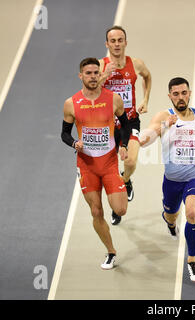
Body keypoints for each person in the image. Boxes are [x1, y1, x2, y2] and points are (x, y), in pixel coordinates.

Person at [139, 77, 195, 282]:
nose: (180, 98)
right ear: (170, 96)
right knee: (171, 215)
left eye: (184, 93)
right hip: (171, 181)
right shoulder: (165, 115)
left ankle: (192, 261)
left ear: (189, 93)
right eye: (176, 94)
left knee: (191, 213)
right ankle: (170, 222)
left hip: (194, 178)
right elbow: (143, 141)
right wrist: (164, 126)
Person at [61, 57, 131, 270]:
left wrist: (124, 144)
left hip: (109, 163)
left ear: (101, 74)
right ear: (81, 76)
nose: (92, 76)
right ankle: (111, 251)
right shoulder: (71, 103)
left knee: (120, 210)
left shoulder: (114, 99)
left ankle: (124, 183)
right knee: (96, 211)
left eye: (95, 72)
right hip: (87, 165)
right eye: (88, 73)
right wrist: (75, 143)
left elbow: (125, 125)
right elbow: (64, 133)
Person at [99, 25, 152, 225]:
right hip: (107, 125)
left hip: (129, 121)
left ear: (126, 42)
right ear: (107, 44)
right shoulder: (100, 65)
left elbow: (147, 76)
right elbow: (89, 90)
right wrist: (104, 76)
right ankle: (116, 207)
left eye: (120, 40)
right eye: (112, 41)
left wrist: (146, 99)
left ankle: (127, 180)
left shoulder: (136, 64)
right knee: (109, 173)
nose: (117, 44)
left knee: (130, 162)